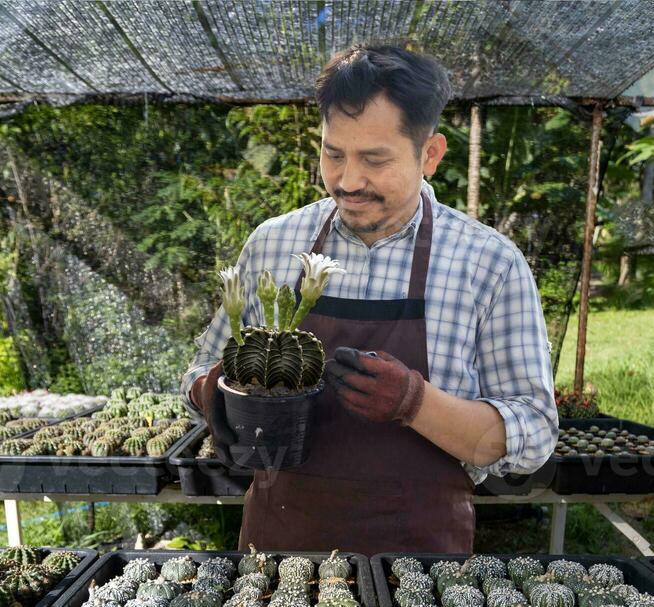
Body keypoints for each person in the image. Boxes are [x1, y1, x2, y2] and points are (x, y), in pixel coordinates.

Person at [182, 43, 557, 553]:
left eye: (375, 160)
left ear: (430, 154)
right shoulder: (274, 244)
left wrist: (414, 402)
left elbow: (531, 434)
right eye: (333, 154)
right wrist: (214, 395)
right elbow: (203, 370)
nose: (348, 181)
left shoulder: (488, 263)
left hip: (426, 568)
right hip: (281, 551)